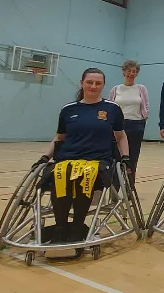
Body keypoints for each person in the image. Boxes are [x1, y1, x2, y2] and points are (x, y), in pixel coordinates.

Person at [35, 68, 130, 245]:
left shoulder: (112, 108)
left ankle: (78, 227)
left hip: (97, 161)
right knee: (59, 174)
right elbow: (59, 137)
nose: (93, 86)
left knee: (83, 175)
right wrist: (45, 156)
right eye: (89, 82)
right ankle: (60, 228)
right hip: (68, 159)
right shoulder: (68, 110)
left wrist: (125, 157)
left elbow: (121, 136)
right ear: (82, 83)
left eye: (98, 83)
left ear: (103, 85)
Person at [109, 60, 148, 182]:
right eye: (129, 71)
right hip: (118, 126)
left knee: (132, 158)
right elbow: (110, 107)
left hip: (136, 125)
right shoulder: (116, 89)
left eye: (134, 71)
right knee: (116, 157)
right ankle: (114, 188)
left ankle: (130, 188)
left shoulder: (141, 88)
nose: (131, 73)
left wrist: (143, 119)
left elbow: (146, 106)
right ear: (124, 72)